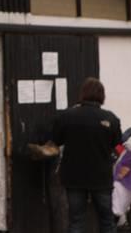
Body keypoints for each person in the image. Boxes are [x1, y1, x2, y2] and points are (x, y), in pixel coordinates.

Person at [53, 77, 122, 233]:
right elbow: (117, 145)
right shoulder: (111, 118)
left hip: (73, 176)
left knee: (76, 221)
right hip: (101, 178)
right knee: (107, 221)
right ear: (102, 95)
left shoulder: (67, 116)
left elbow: (56, 141)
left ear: (82, 94)